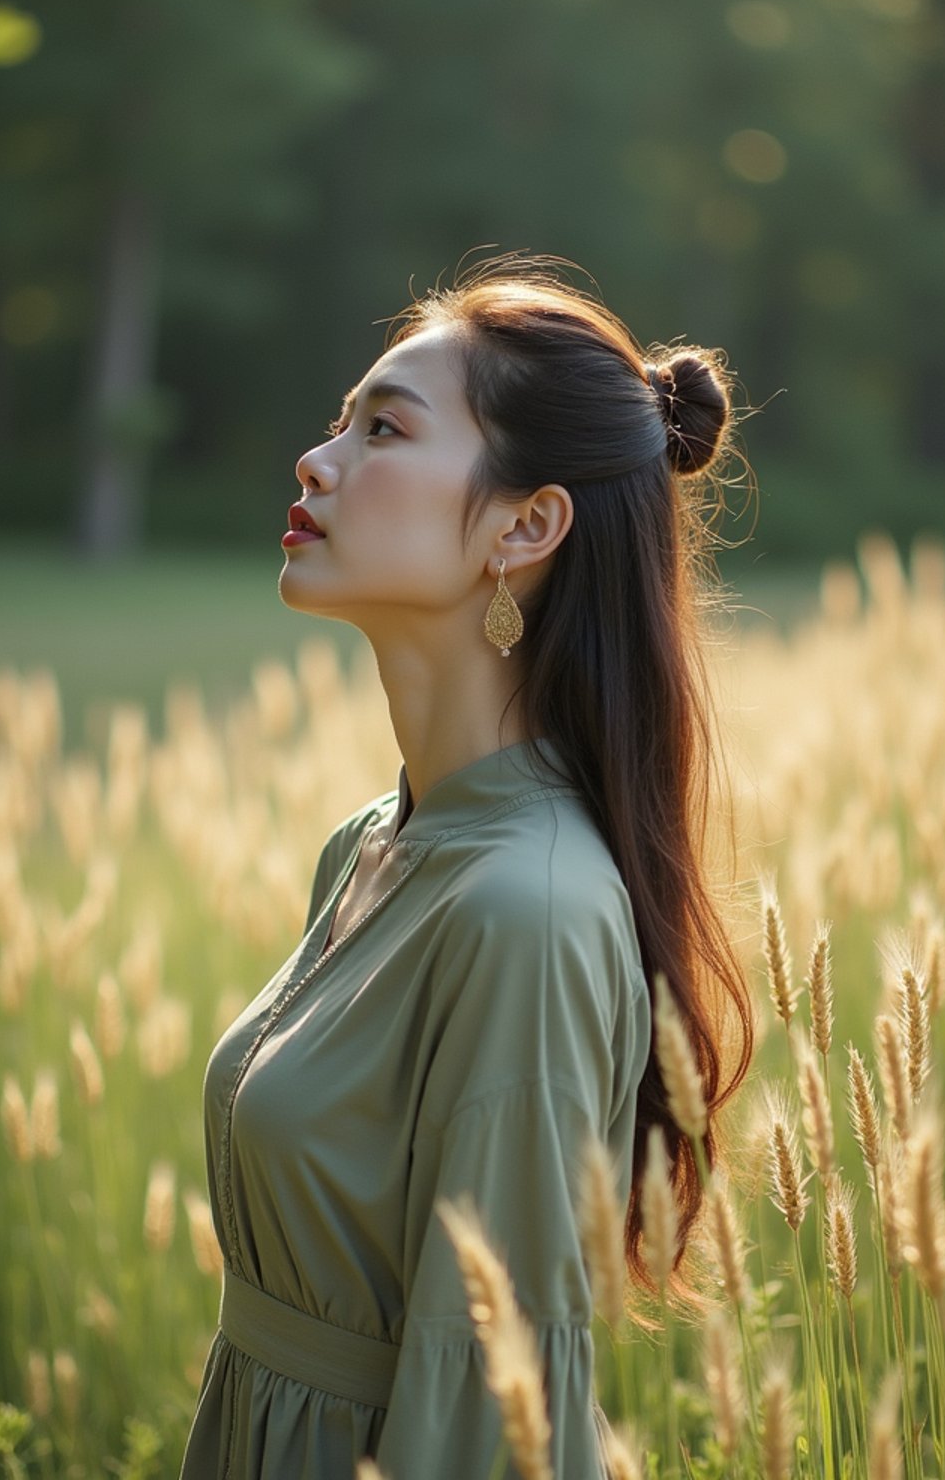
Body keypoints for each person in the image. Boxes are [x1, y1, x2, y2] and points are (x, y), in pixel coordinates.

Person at [179, 256, 753, 1480]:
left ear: (526, 524)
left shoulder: (524, 909)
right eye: (338, 421)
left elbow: (491, 1395)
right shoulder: (377, 842)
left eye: (381, 429)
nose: (317, 461)